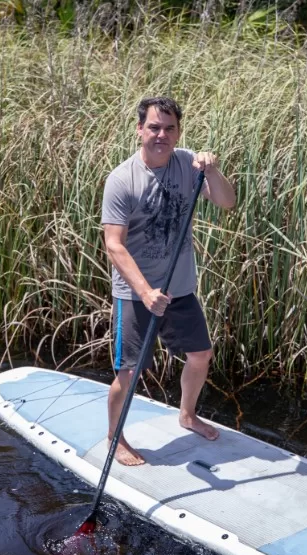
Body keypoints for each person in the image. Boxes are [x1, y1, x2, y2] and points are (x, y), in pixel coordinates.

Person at [100, 96, 235, 466]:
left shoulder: (188, 163)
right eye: (154, 127)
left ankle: (187, 415)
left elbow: (226, 202)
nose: (162, 134)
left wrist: (212, 171)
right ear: (140, 129)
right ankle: (115, 436)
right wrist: (144, 292)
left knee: (201, 355)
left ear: (178, 132)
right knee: (129, 373)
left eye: (169, 128)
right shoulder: (122, 180)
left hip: (180, 287)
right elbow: (114, 245)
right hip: (136, 293)